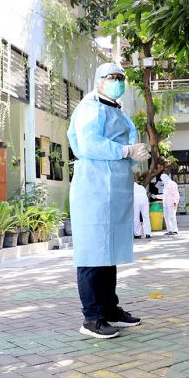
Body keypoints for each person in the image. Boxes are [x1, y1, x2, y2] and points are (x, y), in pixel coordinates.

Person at [68, 62, 149, 339]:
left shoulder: (112, 107)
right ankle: (92, 317)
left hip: (113, 185)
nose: (117, 81)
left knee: (108, 251)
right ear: (99, 80)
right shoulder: (90, 107)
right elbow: (89, 143)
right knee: (93, 252)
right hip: (94, 186)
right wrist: (126, 149)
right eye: (111, 77)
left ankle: (110, 308)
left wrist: (134, 151)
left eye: (120, 77)